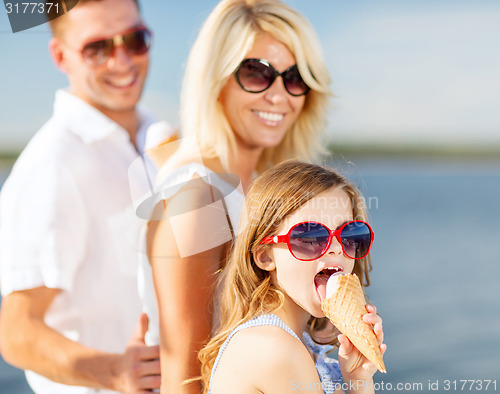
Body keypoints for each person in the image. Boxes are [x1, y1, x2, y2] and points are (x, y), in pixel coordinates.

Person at [141, 0, 333, 392]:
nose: (280, 96)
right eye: (257, 73)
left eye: (295, 78)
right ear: (216, 77)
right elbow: (186, 376)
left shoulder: (261, 183)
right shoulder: (199, 196)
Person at [0, 0, 170, 392]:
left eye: (135, 39)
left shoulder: (159, 138)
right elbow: (17, 331)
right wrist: (114, 371)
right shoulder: (52, 164)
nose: (122, 60)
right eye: (98, 48)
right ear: (61, 56)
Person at [199, 160, 386, 393]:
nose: (336, 248)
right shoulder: (275, 349)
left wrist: (358, 377)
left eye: (349, 234)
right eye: (311, 237)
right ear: (265, 256)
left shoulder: (300, 345)